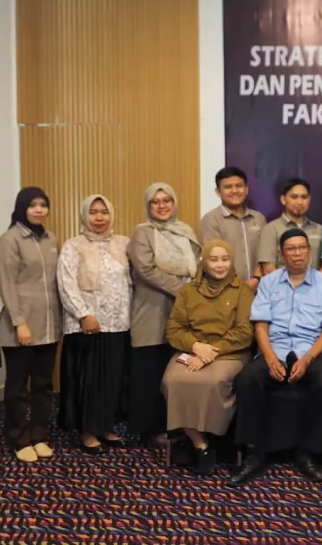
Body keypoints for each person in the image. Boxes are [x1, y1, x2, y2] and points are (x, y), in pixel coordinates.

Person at [229, 228, 322, 485]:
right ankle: (254, 453)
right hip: (275, 348)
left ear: (309, 251)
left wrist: (308, 359)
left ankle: (308, 452)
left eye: (302, 248)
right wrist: (269, 358)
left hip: (314, 350)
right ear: (281, 254)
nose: (297, 253)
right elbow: (260, 324)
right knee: (247, 379)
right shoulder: (269, 282)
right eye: (291, 249)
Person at [162, 239, 253, 476]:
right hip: (193, 350)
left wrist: (210, 352)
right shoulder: (188, 291)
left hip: (229, 353)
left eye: (225, 259)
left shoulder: (242, 291)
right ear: (204, 262)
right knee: (173, 381)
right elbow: (174, 329)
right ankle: (200, 443)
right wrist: (196, 346)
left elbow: (244, 332)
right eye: (214, 259)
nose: (220, 265)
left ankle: (213, 439)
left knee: (213, 382)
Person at [56, 195, 131, 455]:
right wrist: (83, 314)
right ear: (85, 215)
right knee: (88, 381)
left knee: (112, 379)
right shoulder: (73, 246)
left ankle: (105, 426)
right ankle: (87, 430)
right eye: (93, 212)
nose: (99, 217)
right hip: (87, 326)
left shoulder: (124, 244)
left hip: (119, 323)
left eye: (104, 212)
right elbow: (66, 283)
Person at [128, 182, 201, 448]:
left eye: (166, 200)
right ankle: (148, 430)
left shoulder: (186, 232)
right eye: (155, 202)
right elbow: (146, 270)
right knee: (151, 372)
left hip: (182, 314)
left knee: (176, 370)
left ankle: (175, 427)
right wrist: (185, 290)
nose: (162, 206)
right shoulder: (142, 233)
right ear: (148, 206)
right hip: (151, 311)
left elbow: (198, 267)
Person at [0, 187, 62, 463]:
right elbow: (6, 285)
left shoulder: (50, 238)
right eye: (32, 205)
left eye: (43, 205)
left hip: (49, 326)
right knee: (18, 387)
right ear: (22, 207)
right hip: (20, 327)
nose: (38, 210)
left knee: (44, 385)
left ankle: (39, 436)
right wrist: (19, 322)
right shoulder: (9, 240)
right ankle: (19, 439)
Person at [199, 167, 267, 288]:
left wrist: (257, 279)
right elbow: (213, 260)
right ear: (218, 192)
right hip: (225, 289)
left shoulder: (258, 218)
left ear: (246, 189)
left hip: (259, 287)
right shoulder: (211, 220)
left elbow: (265, 254)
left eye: (238, 186)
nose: (234, 191)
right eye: (228, 187)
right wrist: (238, 286)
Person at [258, 178, 322, 274]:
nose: (299, 202)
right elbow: (268, 269)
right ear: (283, 199)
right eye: (294, 197)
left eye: (304, 197)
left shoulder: (319, 229)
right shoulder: (271, 229)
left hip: (314, 283)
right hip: (282, 283)